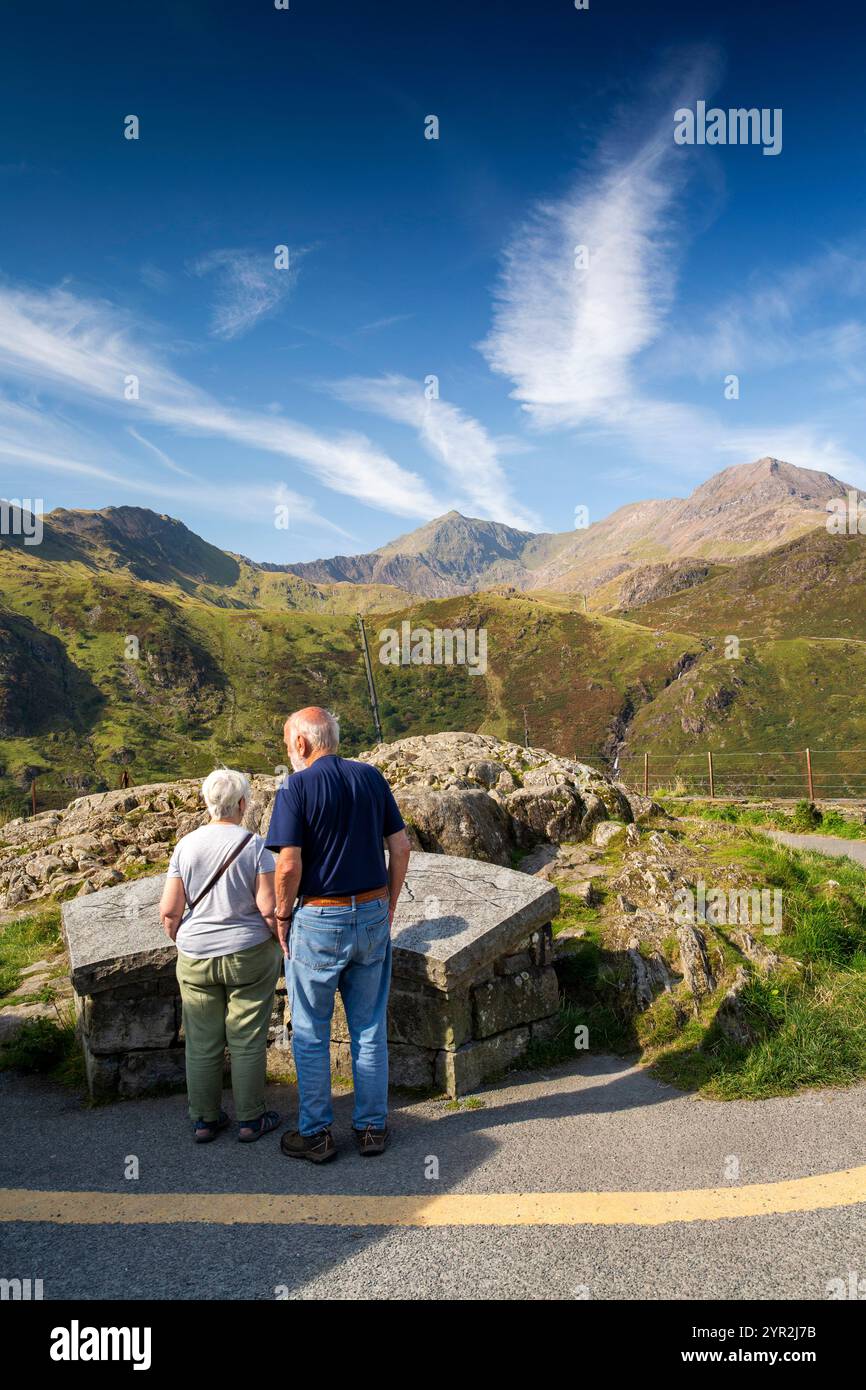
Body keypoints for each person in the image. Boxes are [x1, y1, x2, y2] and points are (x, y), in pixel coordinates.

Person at [267, 707, 411, 1162]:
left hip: (318, 917)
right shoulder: (371, 777)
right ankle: (372, 1128)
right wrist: (387, 902)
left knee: (310, 1030)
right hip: (370, 911)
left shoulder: (295, 787)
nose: (289, 752)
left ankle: (316, 1134)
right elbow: (401, 846)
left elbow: (288, 863)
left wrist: (281, 915)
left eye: (288, 743)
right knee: (369, 1025)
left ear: (302, 745)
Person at [159, 768, 282, 1144]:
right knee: (246, 1038)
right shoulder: (256, 846)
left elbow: (169, 910)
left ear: (207, 802)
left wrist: (184, 939)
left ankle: (204, 1120)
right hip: (248, 953)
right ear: (243, 804)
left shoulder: (186, 846)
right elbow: (267, 906)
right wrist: (280, 941)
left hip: (196, 955)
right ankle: (250, 1119)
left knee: (202, 1041)